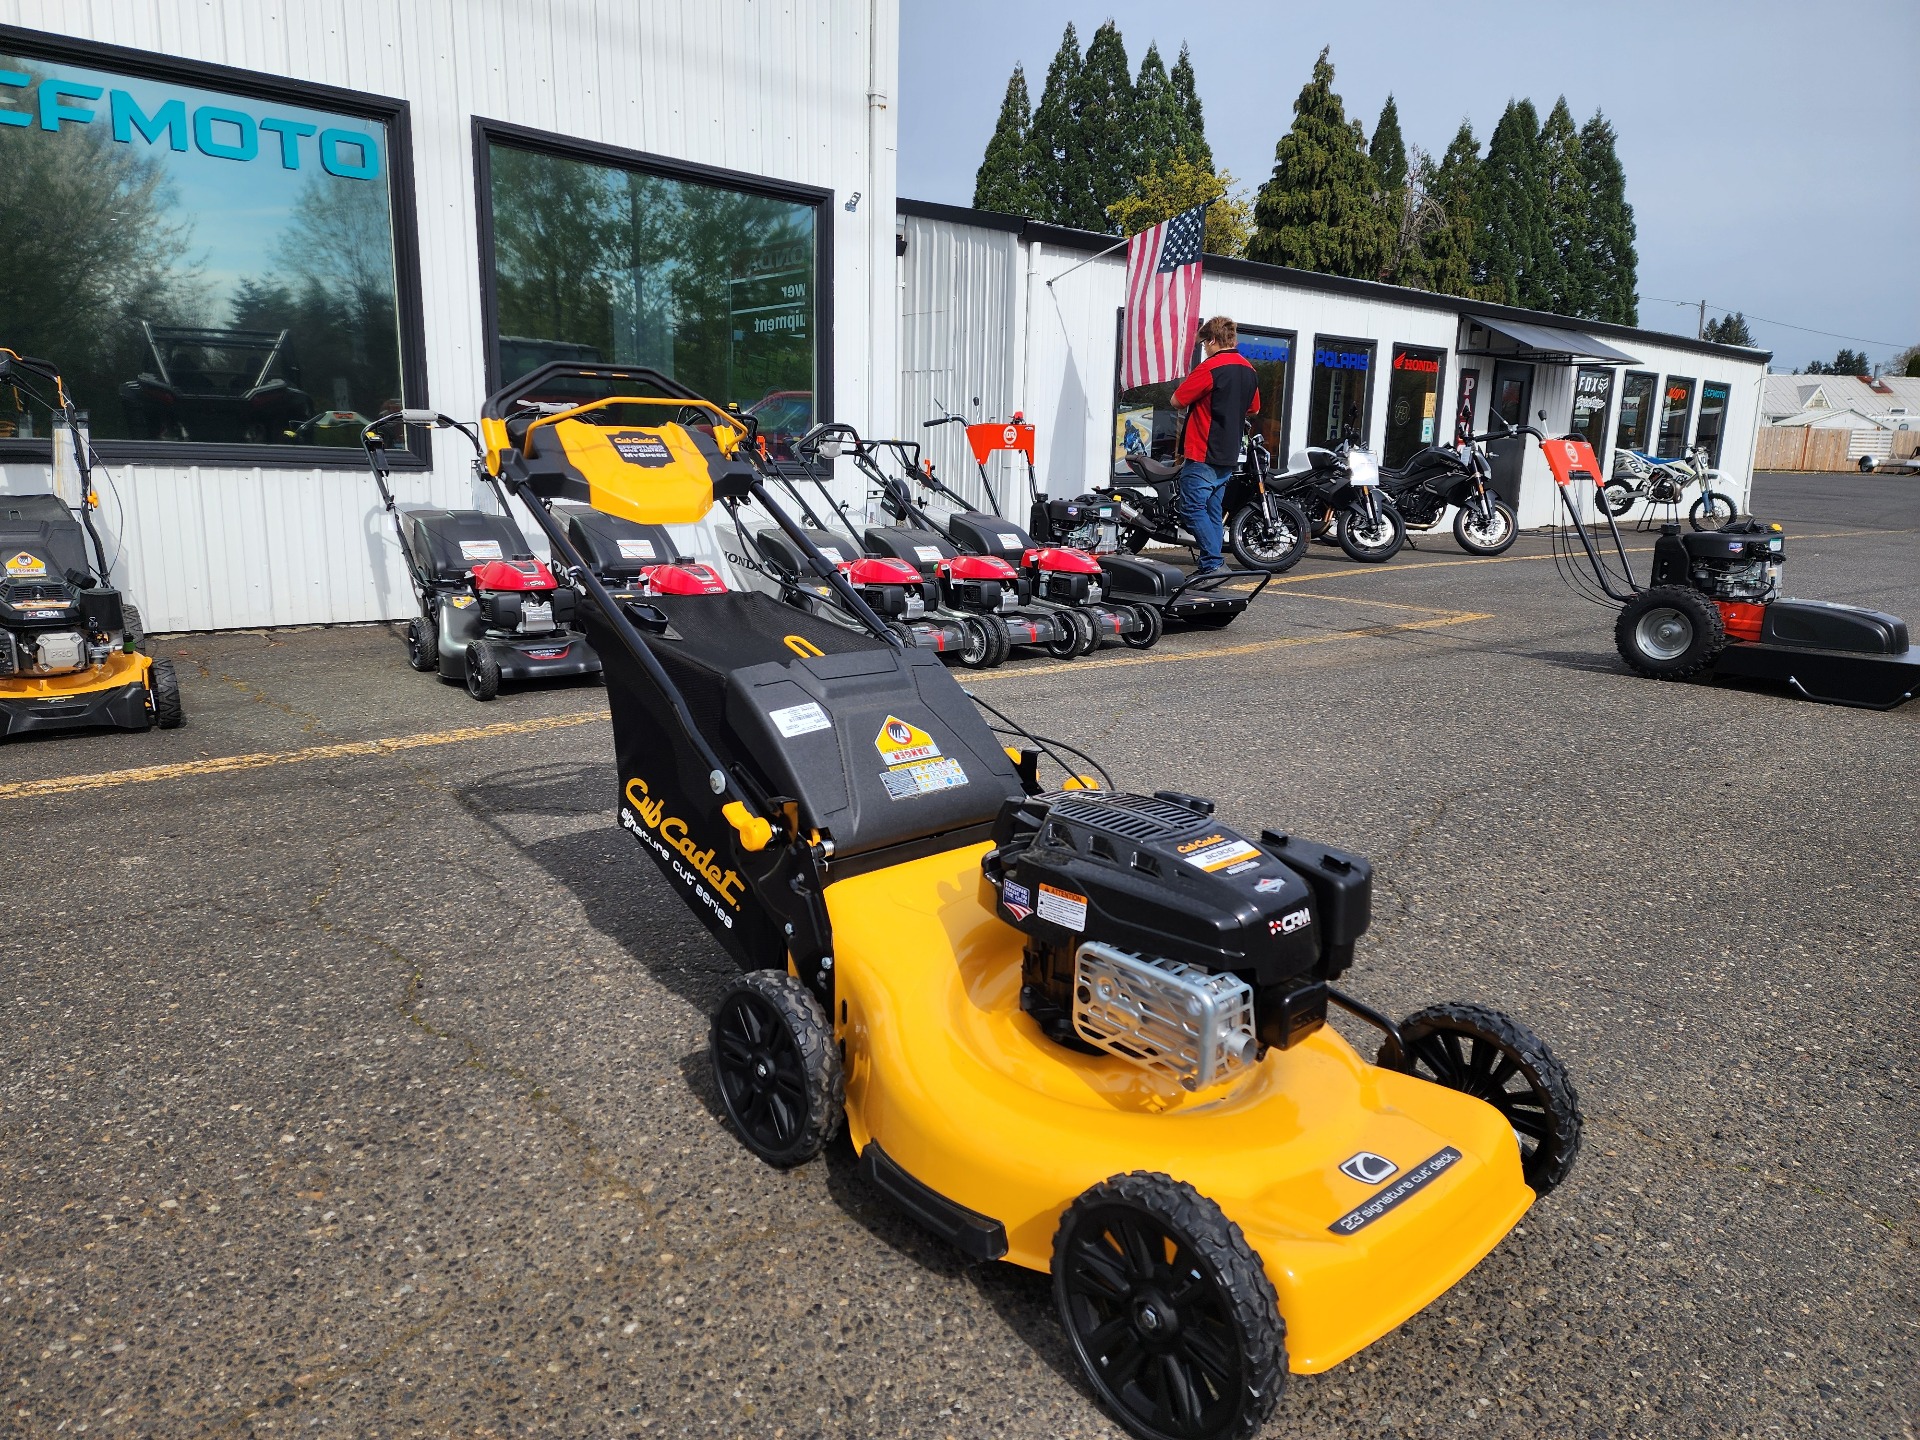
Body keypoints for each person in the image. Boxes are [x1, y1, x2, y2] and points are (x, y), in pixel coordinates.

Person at [1170, 316, 1260, 573]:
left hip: (1203, 450)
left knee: (1191, 508)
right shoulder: (1249, 370)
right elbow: (1254, 408)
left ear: (1212, 341)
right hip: (1229, 453)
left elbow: (1177, 400)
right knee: (1212, 509)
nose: (1204, 349)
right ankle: (1211, 564)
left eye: (1204, 344)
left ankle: (1213, 563)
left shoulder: (1211, 367)